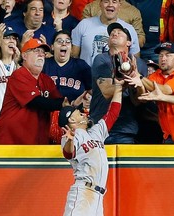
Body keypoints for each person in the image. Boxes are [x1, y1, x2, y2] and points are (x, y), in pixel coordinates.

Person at [58, 78, 123, 215]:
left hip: (97, 197)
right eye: (79, 113)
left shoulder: (96, 132)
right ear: (72, 120)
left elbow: (113, 113)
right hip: (82, 193)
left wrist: (118, 87)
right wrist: (70, 141)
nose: (83, 114)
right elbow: (68, 153)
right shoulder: (71, 136)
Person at [0, 38, 70, 144]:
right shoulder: (19, 75)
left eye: (43, 52)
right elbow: (35, 102)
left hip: (36, 140)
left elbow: (59, 101)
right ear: (24, 56)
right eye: (36, 51)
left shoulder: (46, 80)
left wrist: (74, 103)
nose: (41, 54)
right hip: (11, 140)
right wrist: (63, 104)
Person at [89, 22, 147, 144]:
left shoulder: (139, 64)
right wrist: (126, 81)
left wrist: (137, 81)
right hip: (101, 123)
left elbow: (138, 100)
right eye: (111, 34)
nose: (114, 34)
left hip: (126, 127)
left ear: (129, 42)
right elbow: (106, 92)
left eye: (119, 33)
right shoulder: (101, 59)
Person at [43, 30, 92, 144]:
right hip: (47, 119)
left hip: (75, 120)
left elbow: (92, 91)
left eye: (67, 42)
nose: (64, 44)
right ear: (52, 47)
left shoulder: (81, 65)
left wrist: (88, 100)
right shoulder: (44, 65)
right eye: (59, 41)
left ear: (71, 47)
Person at [71, 0, 140, 66]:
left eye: (114, 2)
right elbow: (74, 56)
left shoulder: (129, 30)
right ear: (100, 4)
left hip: (117, 76)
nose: (110, 5)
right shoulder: (84, 24)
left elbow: (135, 60)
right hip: (86, 76)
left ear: (119, 5)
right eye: (106, 1)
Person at [0, 24, 20, 144]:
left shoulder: (18, 65)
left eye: (14, 38)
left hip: (12, 118)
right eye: (7, 38)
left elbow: (20, 87)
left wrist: (18, 64)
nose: (11, 40)